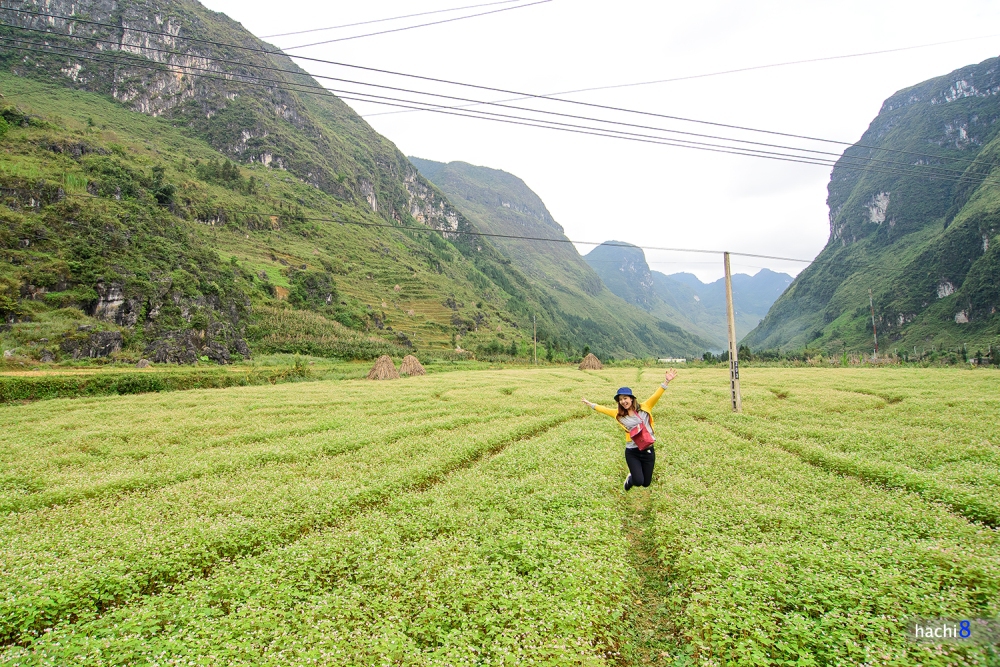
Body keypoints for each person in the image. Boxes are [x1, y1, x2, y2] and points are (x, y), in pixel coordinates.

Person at [581, 369, 677, 491]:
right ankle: (631, 477)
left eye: (625, 398)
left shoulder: (645, 407)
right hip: (632, 451)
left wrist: (666, 381)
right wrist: (590, 404)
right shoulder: (618, 414)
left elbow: (656, 395)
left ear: (631, 399)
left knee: (646, 483)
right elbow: (603, 409)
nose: (623, 401)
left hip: (648, 450)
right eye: (620, 400)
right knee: (638, 481)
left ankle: (637, 474)